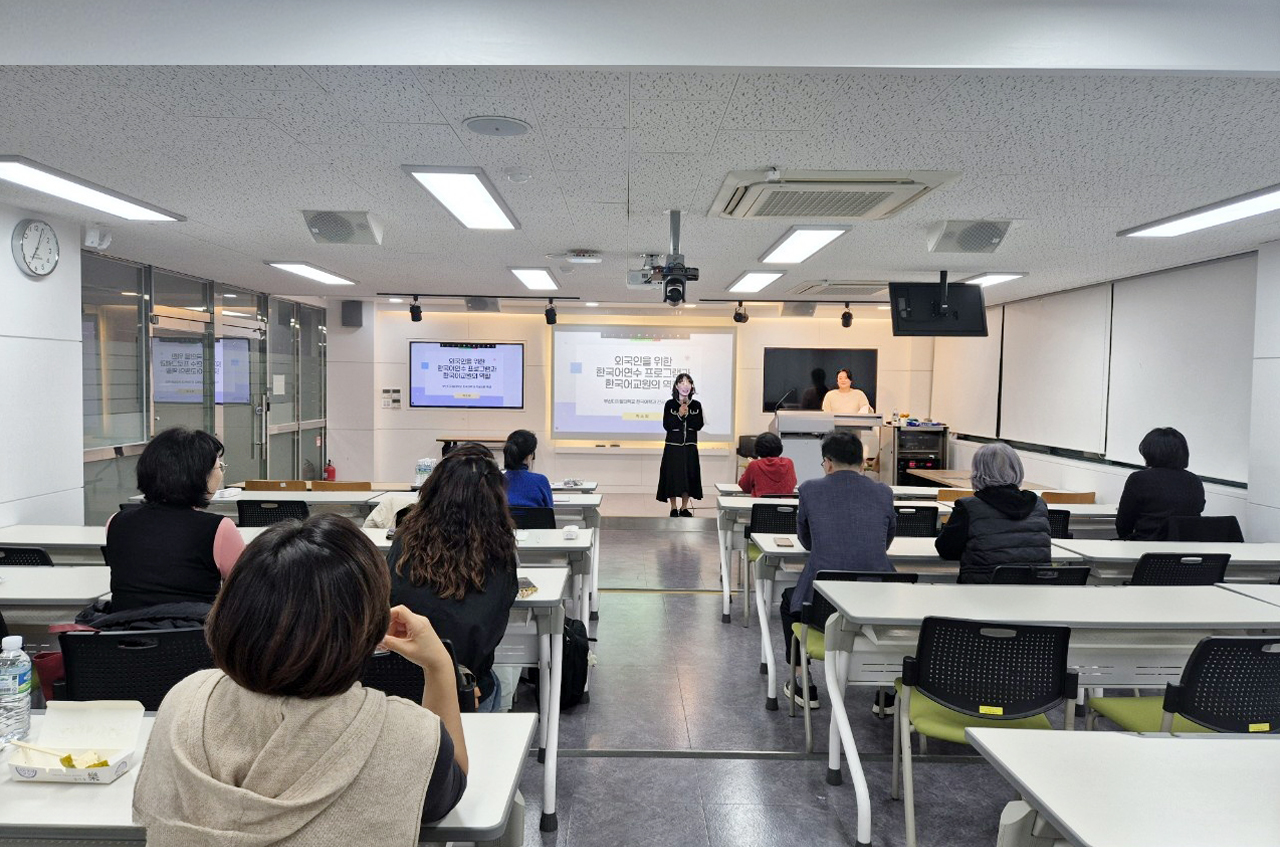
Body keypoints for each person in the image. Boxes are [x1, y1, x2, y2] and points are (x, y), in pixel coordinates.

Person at [133, 514, 469, 843]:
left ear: (232, 610)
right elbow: (446, 791)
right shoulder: (409, 737)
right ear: (369, 628)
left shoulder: (184, 701)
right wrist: (439, 665)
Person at [387, 442, 518, 712]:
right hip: (466, 690)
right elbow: (491, 627)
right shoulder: (499, 556)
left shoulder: (404, 544)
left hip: (398, 690)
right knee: (498, 683)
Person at [781, 430, 895, 709]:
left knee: (788, 601)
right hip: (877, 603)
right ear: (863, 463)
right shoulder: (883, 491)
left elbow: (807, 541)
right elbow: (886, 541)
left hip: (824, 607)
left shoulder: (809, 489)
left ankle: (802, 681)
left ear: (828, 463)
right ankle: (888, 691)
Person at [104, 426, 244, 613]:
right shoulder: (219, 528)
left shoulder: (116, 522)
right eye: (219, 467)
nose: (220, 474)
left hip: (122, 637)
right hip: (193, 638)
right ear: (200, 475)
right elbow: (245, 591)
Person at [935, 442, 1051, 583]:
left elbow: (947, 550)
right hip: (1035, 590)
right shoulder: (1039, 505)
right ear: (1017, 469)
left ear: (978, 471)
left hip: (983, 589)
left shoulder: (968, 507)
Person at [1116, 427, 1206, 540]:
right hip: (1186, 551)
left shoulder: (1139, 479)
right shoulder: (1194, 480)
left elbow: (1123, 524)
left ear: (1149, 452)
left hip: (1145, 549)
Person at [656, 373, 704, 517]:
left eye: (688, 382)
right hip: (673, 447)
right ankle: (673, 507)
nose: (685, 385)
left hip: (689, 447)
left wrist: (688, 415)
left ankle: (684, 507)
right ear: (677, 386)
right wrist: (679, 415)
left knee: (688, 476)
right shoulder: (670, 404)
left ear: (692, 386)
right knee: (672, 476)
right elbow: (667, 425)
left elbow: (698, 425)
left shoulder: (696, 405)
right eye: (682, 382)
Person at [503, 429, 554, 508]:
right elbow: (549, 512)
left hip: (504, 520)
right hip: (536, 520)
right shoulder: (541, 481)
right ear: (530, 455)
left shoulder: (495, 482)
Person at [738, 432, 797, 497]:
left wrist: (748, 467)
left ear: (757, 448)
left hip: (761, 506)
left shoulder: (754, 465)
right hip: (786, 506)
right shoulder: (789, 462)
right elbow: (793, 483)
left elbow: (745, 488)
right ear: (780, 447)